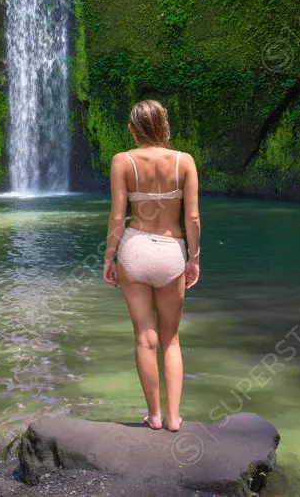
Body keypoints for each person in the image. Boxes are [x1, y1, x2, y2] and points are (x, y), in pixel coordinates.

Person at [103, 99, 200, 432]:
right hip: (172, 249)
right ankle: (174, 418)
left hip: (135, 249)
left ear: (132, 129)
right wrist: (194, 258)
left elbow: (118, 215)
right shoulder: (184, 162)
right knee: (171, 340)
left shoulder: (122, 161)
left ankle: (153, 416)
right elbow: (193, 216)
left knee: (145, 339)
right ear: (164, 127)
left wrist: (109, 256)